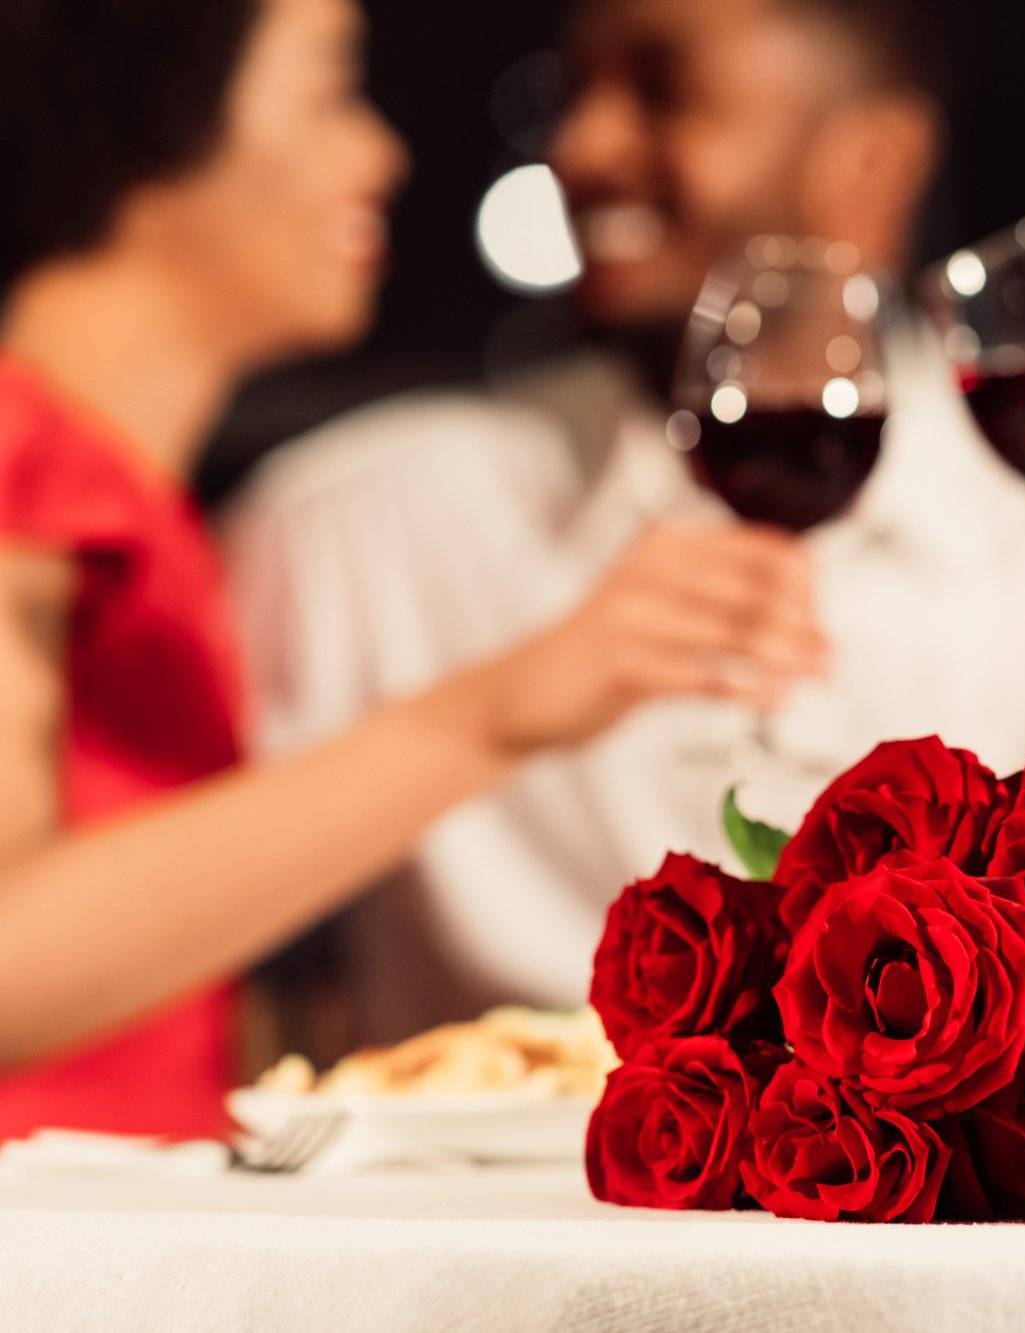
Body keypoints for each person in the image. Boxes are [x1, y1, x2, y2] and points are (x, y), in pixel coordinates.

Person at [227, 0, 1025, 1043]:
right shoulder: (370, 524)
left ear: (870, 163)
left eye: (662, 90)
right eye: (577, 87)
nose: (584, 146)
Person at [0, 0, 799, 1138]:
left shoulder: (128, 497)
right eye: (330, 90)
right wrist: (490, 717)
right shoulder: (21, 461)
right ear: (144, 111)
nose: (381, 152)